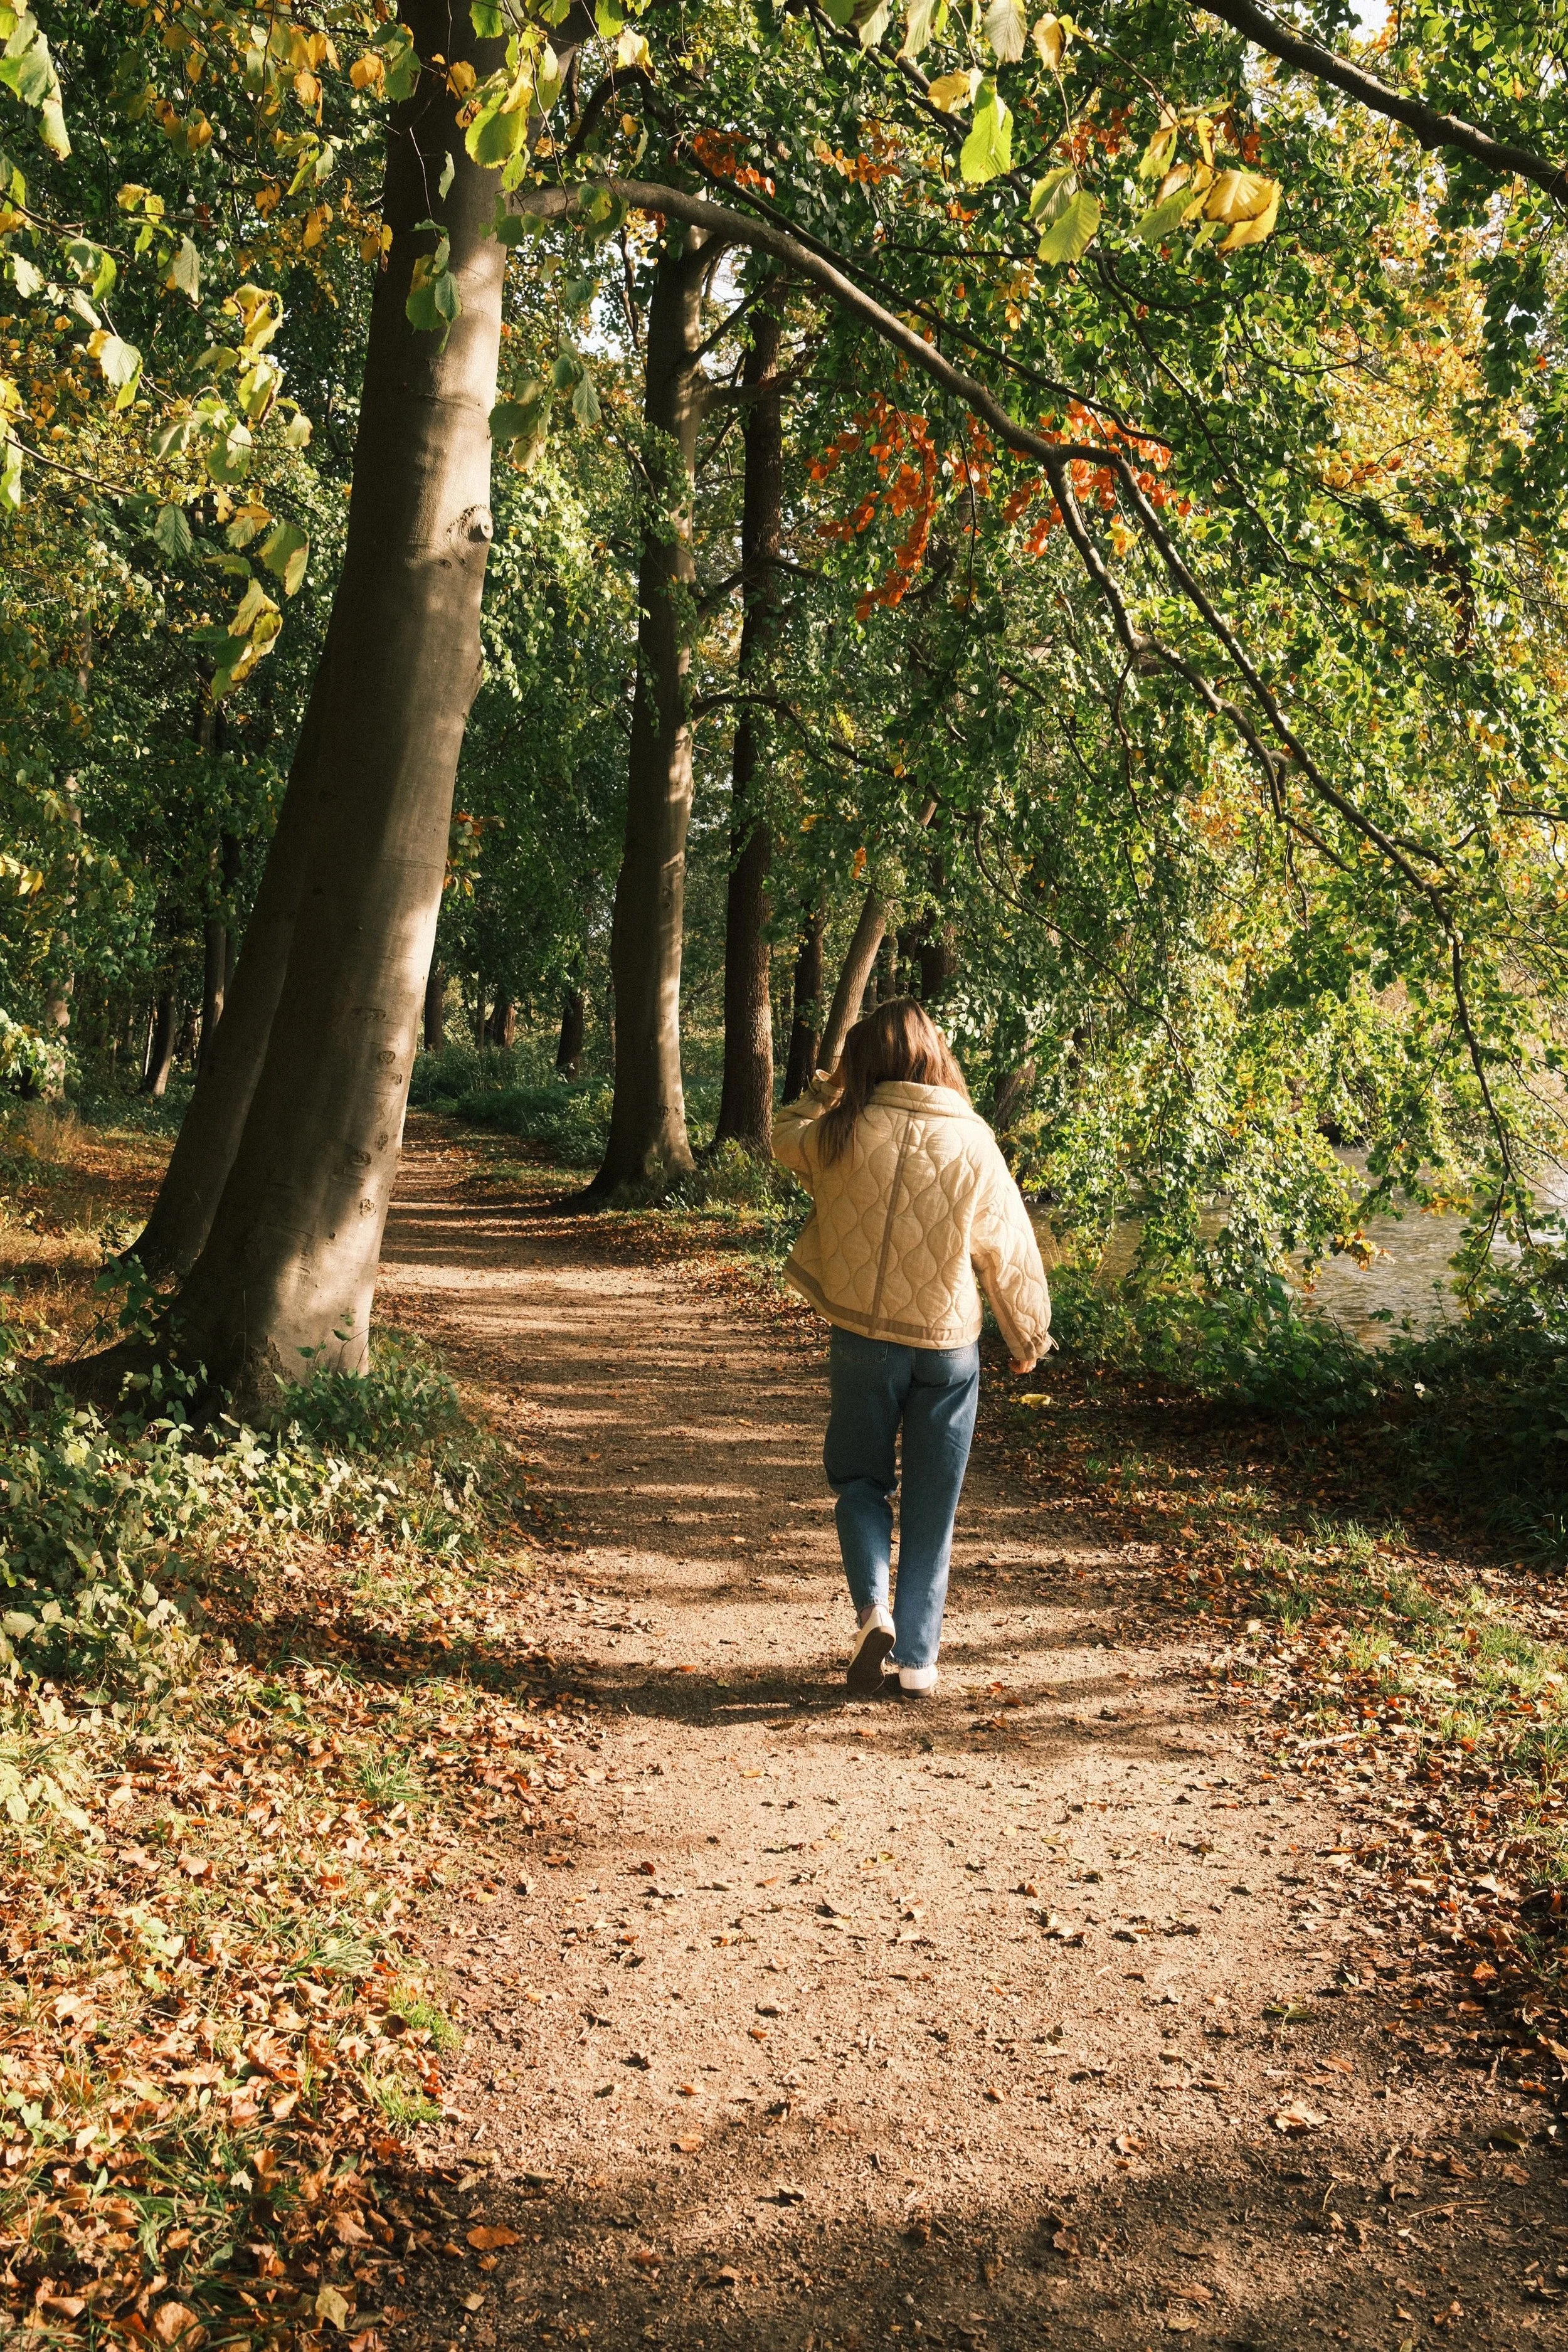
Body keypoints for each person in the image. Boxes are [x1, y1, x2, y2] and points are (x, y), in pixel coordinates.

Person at [773, 999, 1052, 1697]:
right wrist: (1027, 1336)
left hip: (864, 1341)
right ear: (936, 1057)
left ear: (861, 1062)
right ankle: (919, 1661)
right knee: (934, 1503)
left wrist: (827, 1084)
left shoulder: (838, 1129)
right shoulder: (975, 1139)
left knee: (861, 1482)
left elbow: (782, 1137)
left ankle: (873, 1610)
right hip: (947, 1347)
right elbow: (1008, 1248)